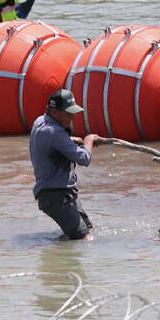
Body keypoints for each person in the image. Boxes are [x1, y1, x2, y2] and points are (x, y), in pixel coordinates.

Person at [30, 89, 98, 240]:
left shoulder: (40, 122)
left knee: (87, 227)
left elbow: (49, 141)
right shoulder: (56, 133)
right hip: (57, 196)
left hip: (58, 194)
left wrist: (70, 140)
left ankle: (57, 250)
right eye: (68, 114)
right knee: (85, 238)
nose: (72, 118)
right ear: (54, 112)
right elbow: (84, 158)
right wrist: (89, 140)